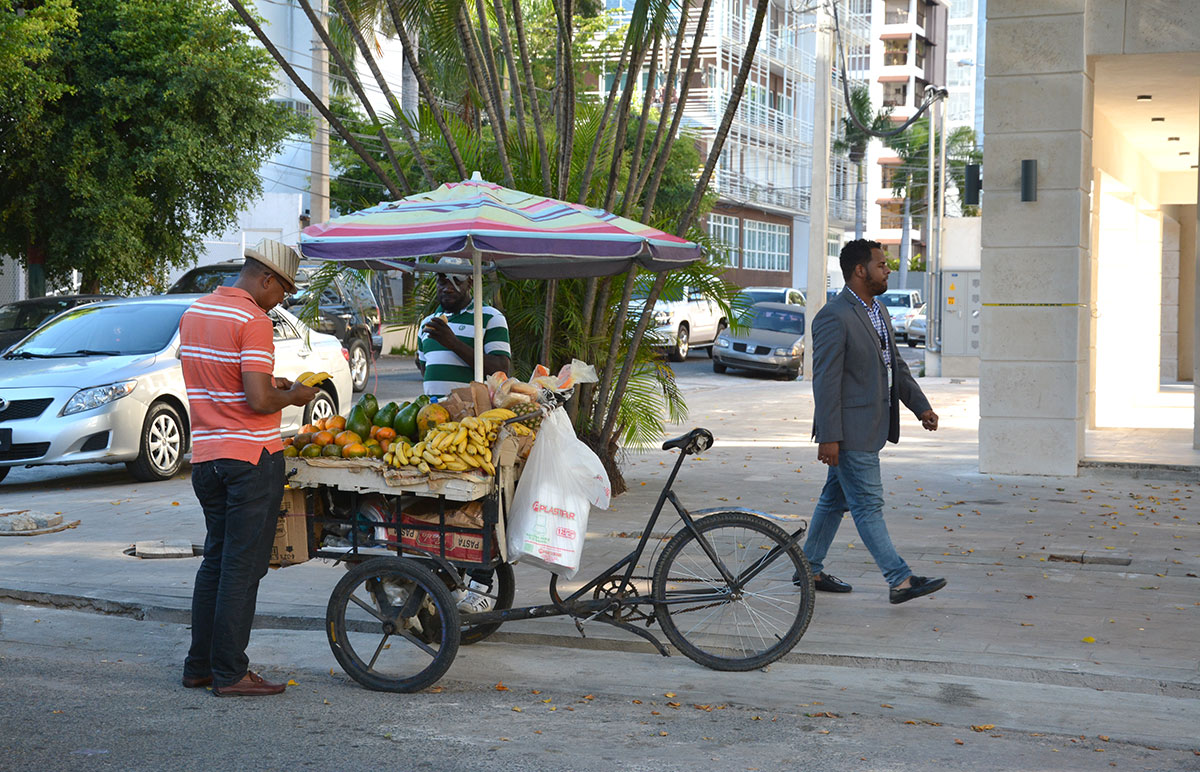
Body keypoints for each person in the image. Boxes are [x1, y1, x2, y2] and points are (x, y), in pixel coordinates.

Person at [179, 238, 322, 696]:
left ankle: (198, 666)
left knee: (216, 563)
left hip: (206, 458)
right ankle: (231, 673)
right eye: (283, 290)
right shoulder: (254, 320)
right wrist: (294, 395)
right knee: (242, 568)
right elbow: (258, 401)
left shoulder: (196, 312)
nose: (283, 300)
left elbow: (227, 383)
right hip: (251, 459)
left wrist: (271, 385)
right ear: (265, 279)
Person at [802, 239, 947, 605]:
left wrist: (920, 406)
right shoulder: (834, 316)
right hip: (850, 432)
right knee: (867, 504)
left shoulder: (877, 310)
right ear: (860, 271)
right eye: (882, 265)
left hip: (872, 426)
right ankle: (900, 580)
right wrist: (829, 437)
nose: (888, 270)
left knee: (834, 501)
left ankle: (807, 568)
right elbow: (826, 380)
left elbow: (894, 365)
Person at [415, 256, 511, 613]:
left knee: (476, 504)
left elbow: (500, 370)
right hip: (434, 430)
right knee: (441, 505)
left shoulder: (489, 318)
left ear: (470, 284)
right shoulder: (428, 322)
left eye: (454, 281)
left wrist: (453, 341)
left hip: (473, 429)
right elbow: (423, 364)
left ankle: (481, 582)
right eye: (441, 280)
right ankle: (448, 578)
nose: (445, 287)